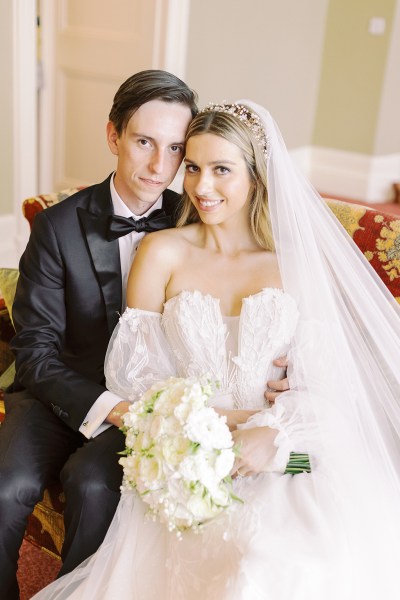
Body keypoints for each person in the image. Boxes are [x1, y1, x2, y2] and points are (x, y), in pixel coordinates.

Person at [31, 100, 400, 599]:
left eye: (221, 169)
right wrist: (230, 425)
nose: (201, 187)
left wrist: (278, 435)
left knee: (290, 563)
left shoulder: (295, 267)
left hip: (283, 462)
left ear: (256, 177)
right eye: (194, 168)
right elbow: (134, 381)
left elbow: (331, 387)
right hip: (188, 461)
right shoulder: (162, 252)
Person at [0, 69, 198, 600]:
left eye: (175, 149)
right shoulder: (57, 227)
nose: (160, 167)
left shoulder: (195, 224)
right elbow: (35, 351)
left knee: (92, 484)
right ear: (113, 136)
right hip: (55, 391)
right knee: (5, 487)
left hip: (145, 400)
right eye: (143, 142)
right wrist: (109, 406)